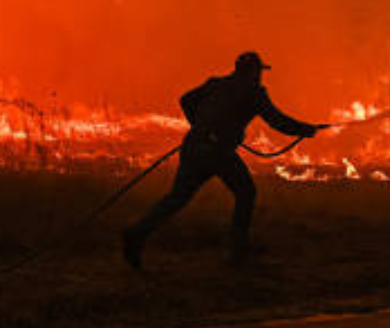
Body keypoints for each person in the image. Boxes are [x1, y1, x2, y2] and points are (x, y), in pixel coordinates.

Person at [122, 51, 324, 268]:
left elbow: (186, 100)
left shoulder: (215, 84)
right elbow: (277, 121)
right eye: (258, 72)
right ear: (253, 72)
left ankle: (137, 233)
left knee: (177, 198)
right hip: (218, 153)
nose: (260, 76)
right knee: (246, 192)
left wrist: (199, 126)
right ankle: (238, 255)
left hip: (194, 146)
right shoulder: (254, 92)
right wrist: (308, 129)